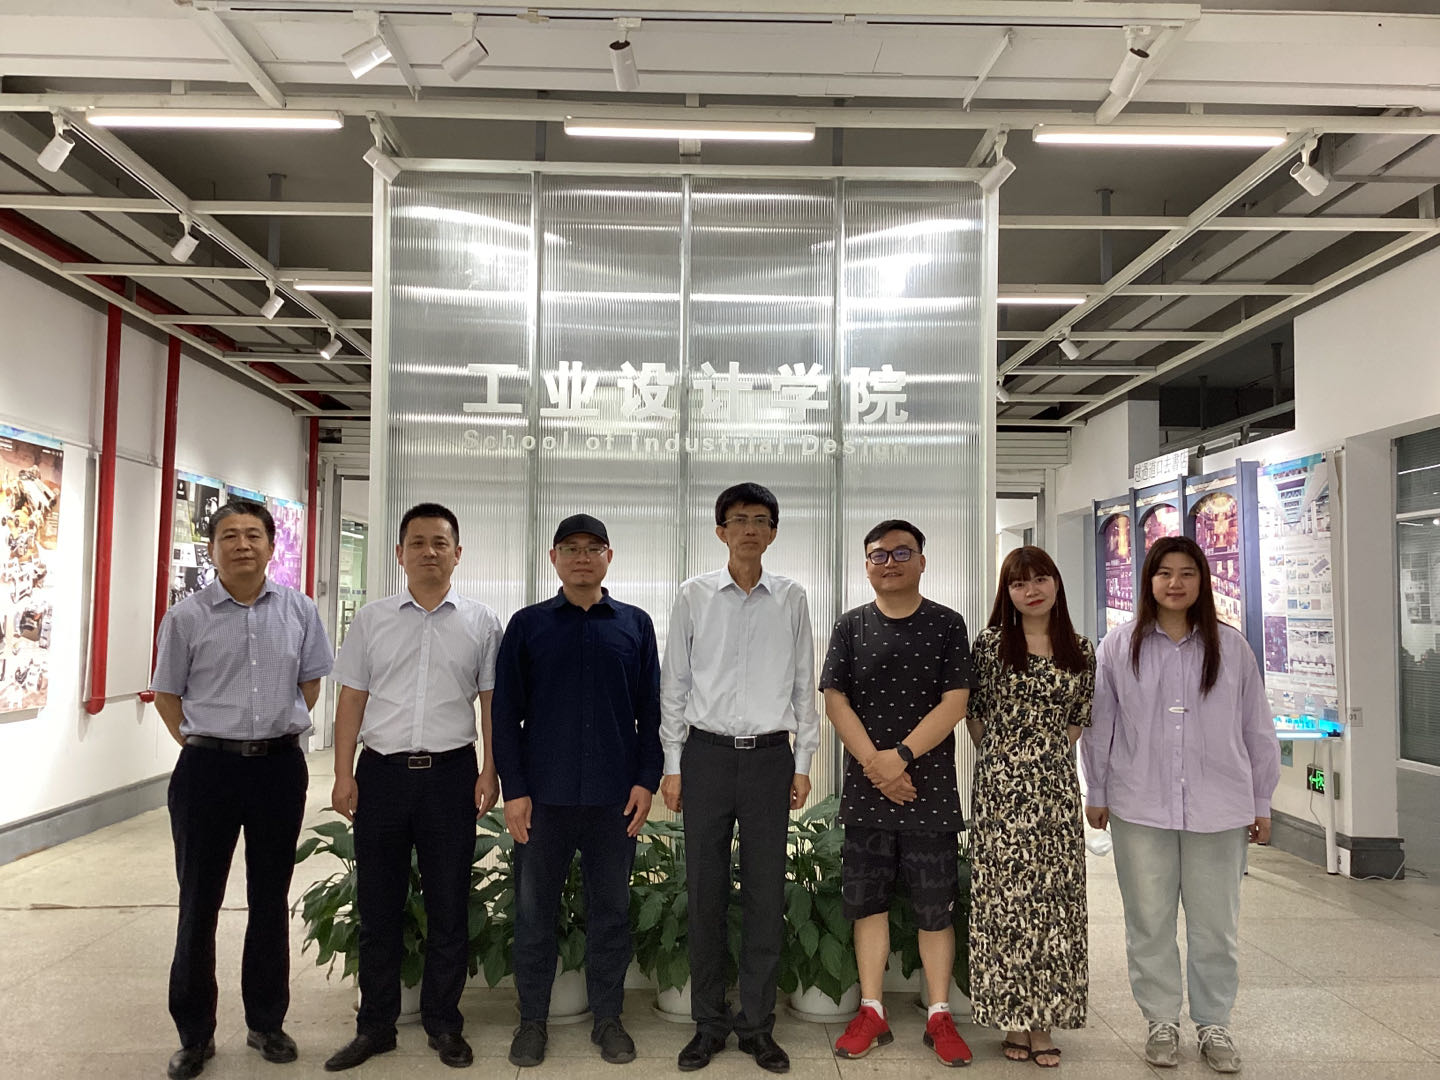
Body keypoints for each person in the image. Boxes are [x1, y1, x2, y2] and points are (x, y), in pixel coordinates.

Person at [1081, 535, 1280, 1074]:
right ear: (1148, 581)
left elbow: (1256, 727)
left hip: (1220, 806)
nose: (1175, 583)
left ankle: (1214, 1022)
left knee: (1216, 925)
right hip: (1139, 804)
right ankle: (1161, 1020)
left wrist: (1261, 800)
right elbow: (1100, 727)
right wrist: (1097, 791)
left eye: (1187, 573)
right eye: (1164, 573)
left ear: (1202, 582)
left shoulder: (1231, 648)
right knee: (1148, 921)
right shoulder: (1119, 647)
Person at [151, 500, 333, 1080]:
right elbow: (166, 694)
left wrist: (271, 730)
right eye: (229, 535)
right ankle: (194, 1034)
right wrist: (204, 742)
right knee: (198, 901)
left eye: (253, 534)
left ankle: (266, 1023)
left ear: (271, 546)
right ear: (212, 549)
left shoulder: (299, 610)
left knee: (270, 898)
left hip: (278, 768)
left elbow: (310, 684)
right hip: (207, 770)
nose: (242, 544)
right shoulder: (186, 617)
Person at [322, 503, 502, 1072]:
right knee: (378, 906)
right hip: (382, 775)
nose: (429, 552)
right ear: (399, 553)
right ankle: (375, 1027)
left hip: (451, 776)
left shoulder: (481, 623)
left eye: (440, 542)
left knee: (449, 905)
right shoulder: (372, 620)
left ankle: (444, 1023)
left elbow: (491, 704)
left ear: (457, 553)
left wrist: (491, 769)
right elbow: (352, 698)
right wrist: (343, 773)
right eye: (418, 542)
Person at [660, 481, 819, 1075]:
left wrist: (802, 763)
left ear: (773, 532)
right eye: (738, 519)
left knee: (764, 893)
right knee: (703, 892)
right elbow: (675, 684)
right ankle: (707, 1025)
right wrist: (672, 765)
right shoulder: (694, 594)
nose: (749, 529)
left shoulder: (792, 598)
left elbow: (803, 684)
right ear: (720, 531)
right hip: (705, 756)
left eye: (760, 520)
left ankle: (756, 1027)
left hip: (769, 760)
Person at [493, 514, 663, 1069]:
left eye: (593, 548)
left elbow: (651, 712)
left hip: (615, 801)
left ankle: (608, 1018)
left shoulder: (635, 625)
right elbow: (505, 713)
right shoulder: (528, 625)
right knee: (533, 914)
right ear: (554, 558)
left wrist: (646, 780)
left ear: (609, 557)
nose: (582, 557)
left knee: (611, 912)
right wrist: (514, 789)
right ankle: (532, 1021)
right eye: (571, 548)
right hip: (543, 801)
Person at [819, 519, 975, 1069]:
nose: (890, 562)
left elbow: (956, 702)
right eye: (878, 555)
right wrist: (876, 765)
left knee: (935, 908)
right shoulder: (851, 626)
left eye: (902, 552)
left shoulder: (947, 624)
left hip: (929, 791)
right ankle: (872, 1011)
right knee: (868, 906)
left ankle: (939, 1014)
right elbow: (834, 698)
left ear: (922, 561)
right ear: (866, 565)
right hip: (868, 791)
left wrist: (900, 757)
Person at [966, 545, 1095, 1069]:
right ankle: (1013, 1019)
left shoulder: (1080, 650)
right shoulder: (991, 644)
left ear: (1056, 584)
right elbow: (975, 713)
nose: (1031, 590)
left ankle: (1045, 1023)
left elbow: (1078, 718)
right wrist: (1006, 759)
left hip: (1056, 791)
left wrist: (1043, 757)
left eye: (1040, 579)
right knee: (1005, 904)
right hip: (1001, 790)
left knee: (1055, 904)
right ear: (1008, 593)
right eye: (1019, 583)